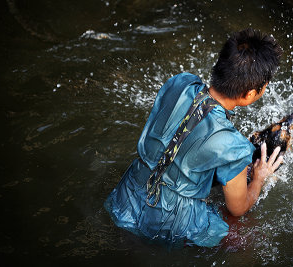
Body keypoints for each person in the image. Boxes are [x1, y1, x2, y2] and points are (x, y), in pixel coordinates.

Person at [104, 28, 283, 247]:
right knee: (248, 237)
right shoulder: (234, 146)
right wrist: (258, 179)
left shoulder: (180, 83)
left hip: (125, 197)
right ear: (250, 94)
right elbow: (238, 207)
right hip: (168, 223)